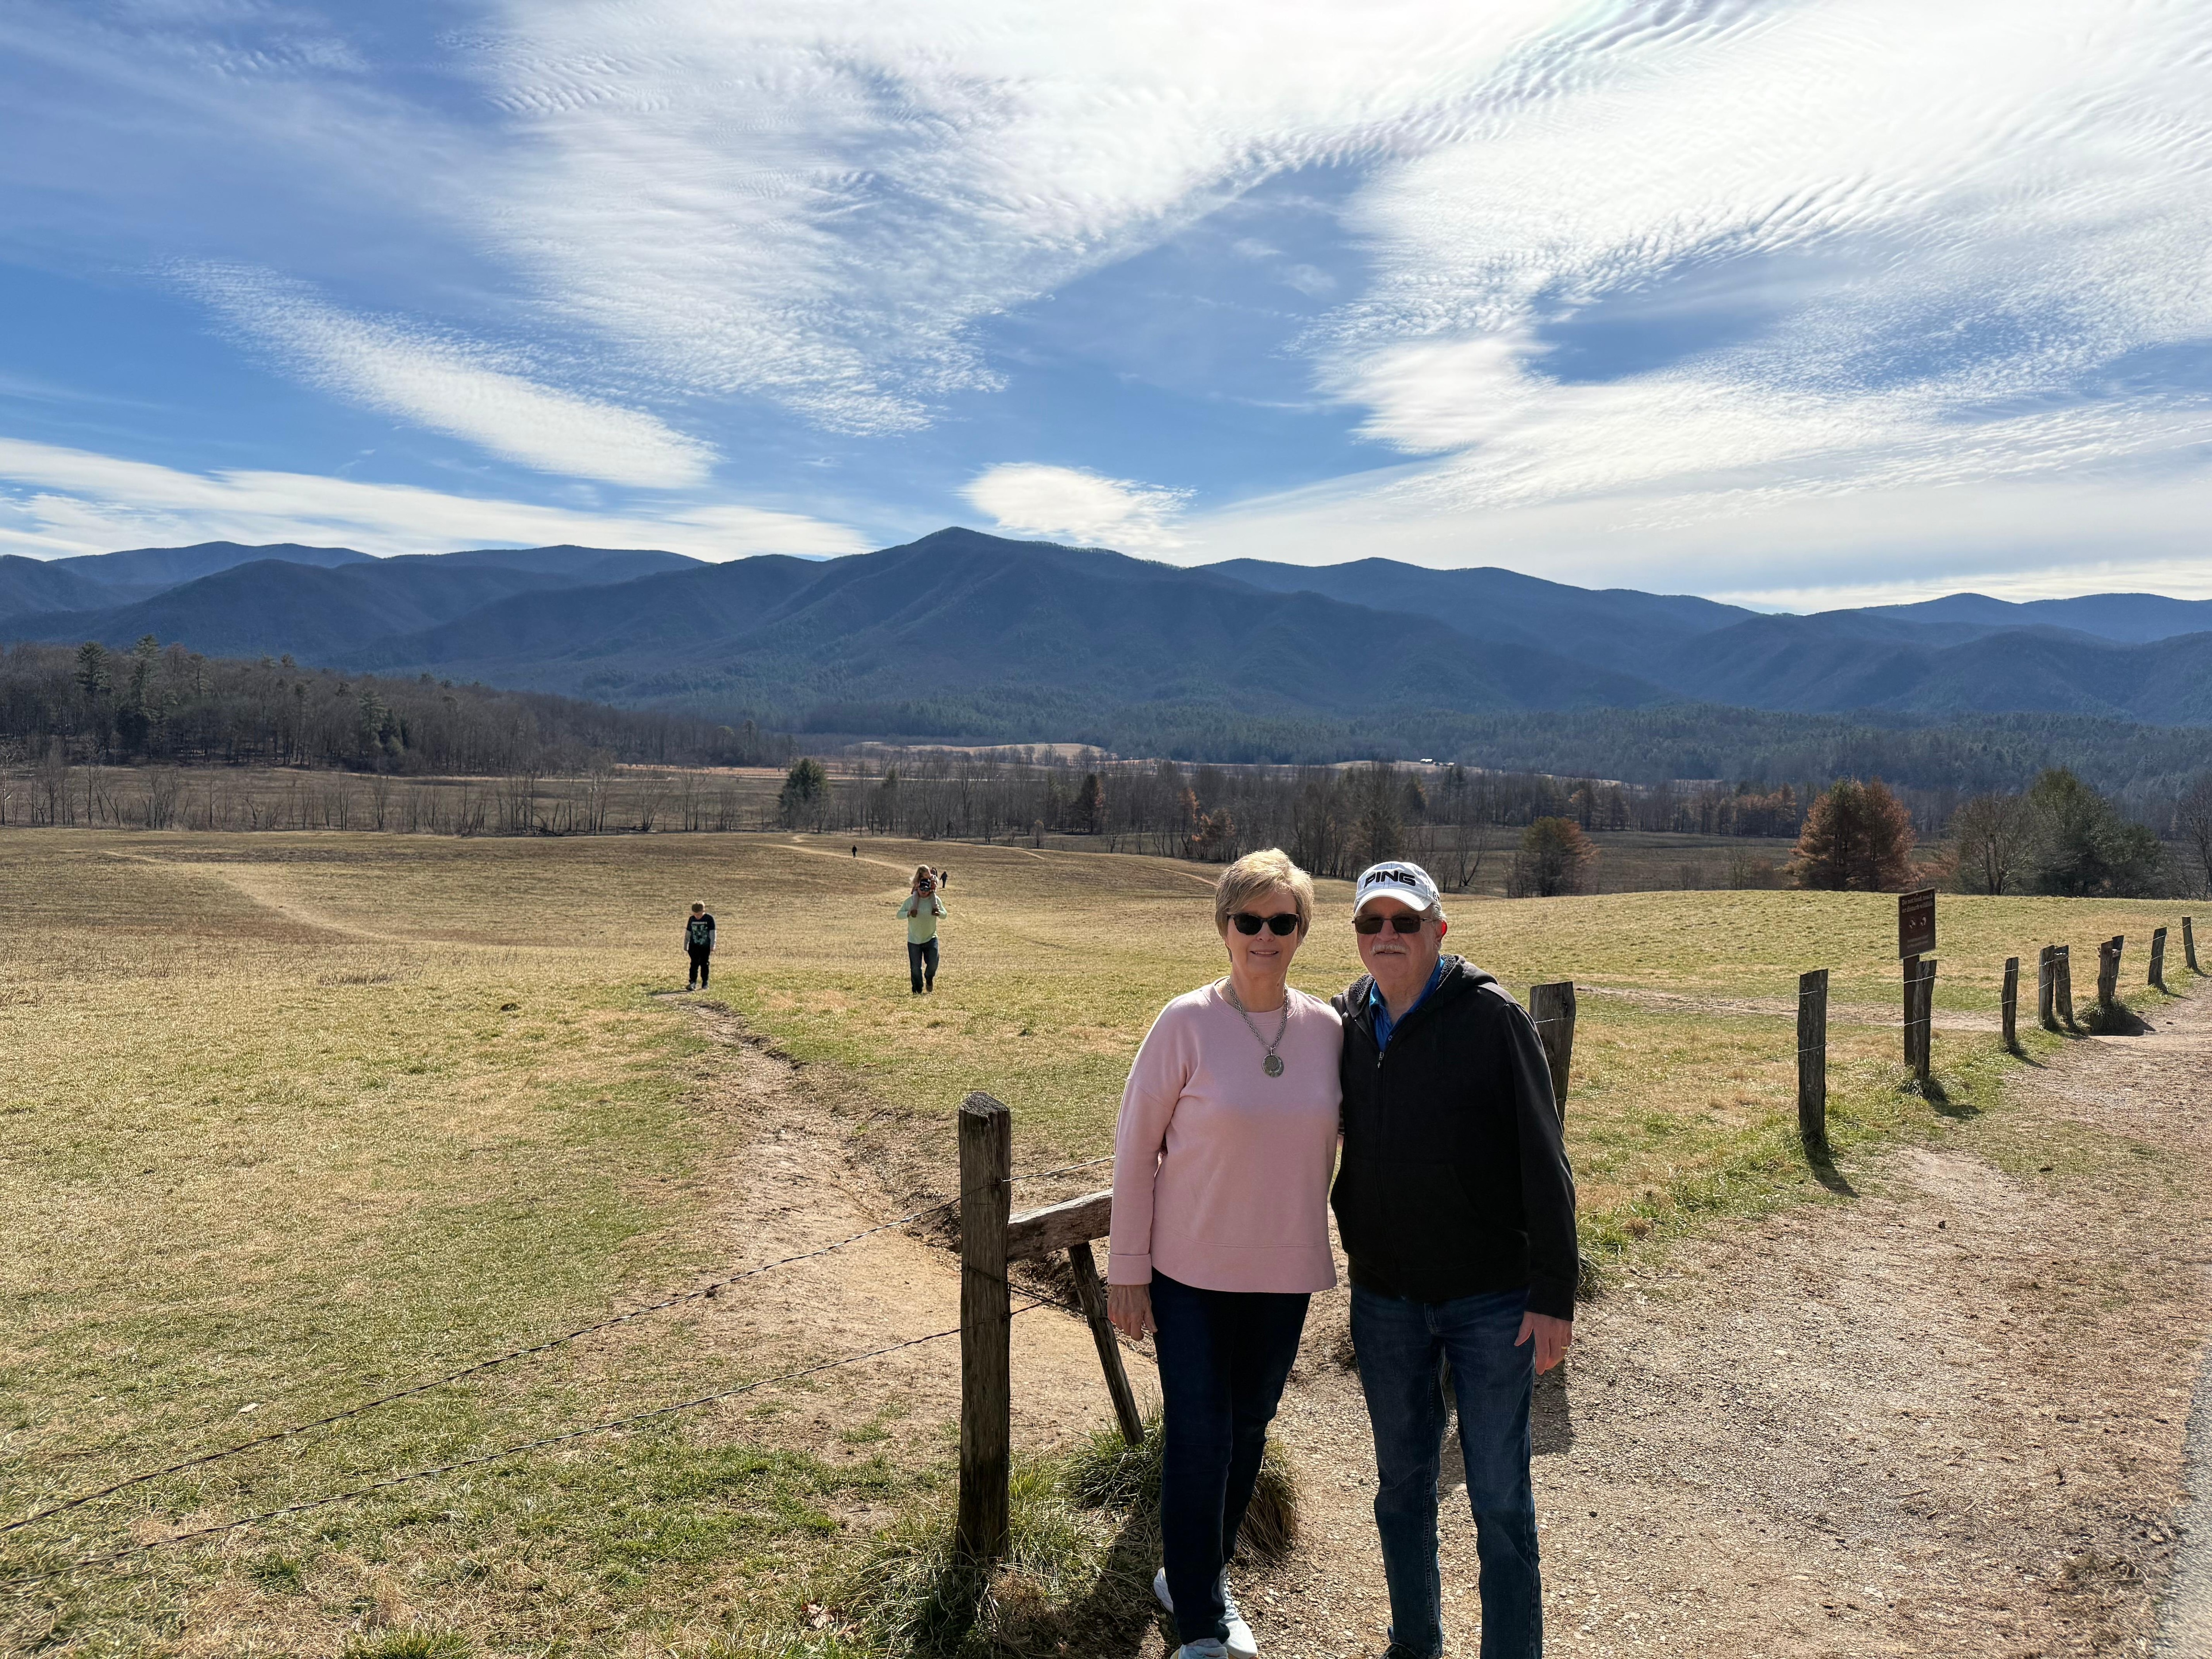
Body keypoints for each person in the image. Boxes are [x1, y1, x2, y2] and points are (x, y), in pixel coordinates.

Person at [1332, 860, 1577, 1659]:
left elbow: (1547, 1161)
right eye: (1373, 923)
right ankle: (1416, 1645)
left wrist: (1554, 1293)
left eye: (1406, 921)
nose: (1388, 936)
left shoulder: (1492, 1019)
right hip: (1386, 1300)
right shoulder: (1346, 1021)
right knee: (1402, 1491)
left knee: (1501, 1497)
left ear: (1441, 929)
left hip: (1492, 1302)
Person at [1107, 848, 1342, 1659]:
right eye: (1251, 920)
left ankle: (1192, 1572)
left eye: (1284, 922)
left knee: (1249, 1430)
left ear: (1303, 932)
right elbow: (1135, 1151)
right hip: (1189, 1275)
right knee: (1202, 1433)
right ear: (1224, 927)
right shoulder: (1186, 1023)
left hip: (1284, 1276)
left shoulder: (1328, 1032)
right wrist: (1127, 1270)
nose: (1266, 936)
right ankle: (1203, 1621)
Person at [896, 865, 947, 994]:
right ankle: (918, 990)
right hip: (914, 940)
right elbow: (899, 915)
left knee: (933, 965)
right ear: (917, 887)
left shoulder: (934, 900)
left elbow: (945, 915)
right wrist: (909, 913)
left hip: (931, 938)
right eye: (922, 889)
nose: (924, 892)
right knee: (915, 969)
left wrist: (938, 913)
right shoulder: (911, 901)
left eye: (926, 889)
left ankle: (929, 978)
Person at [683, 901, 715, 991]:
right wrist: (686, 945)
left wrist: (713, 945)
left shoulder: (709, 919)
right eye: (695, 915)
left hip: (705, 946)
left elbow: (713, 933)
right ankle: (693, 982)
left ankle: (705, 983)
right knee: (694, 964)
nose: (697, 917)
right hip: (694, 946)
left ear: (704, 910)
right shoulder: (692, 919)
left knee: (705, 964)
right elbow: (688, 933)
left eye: (699, 915)